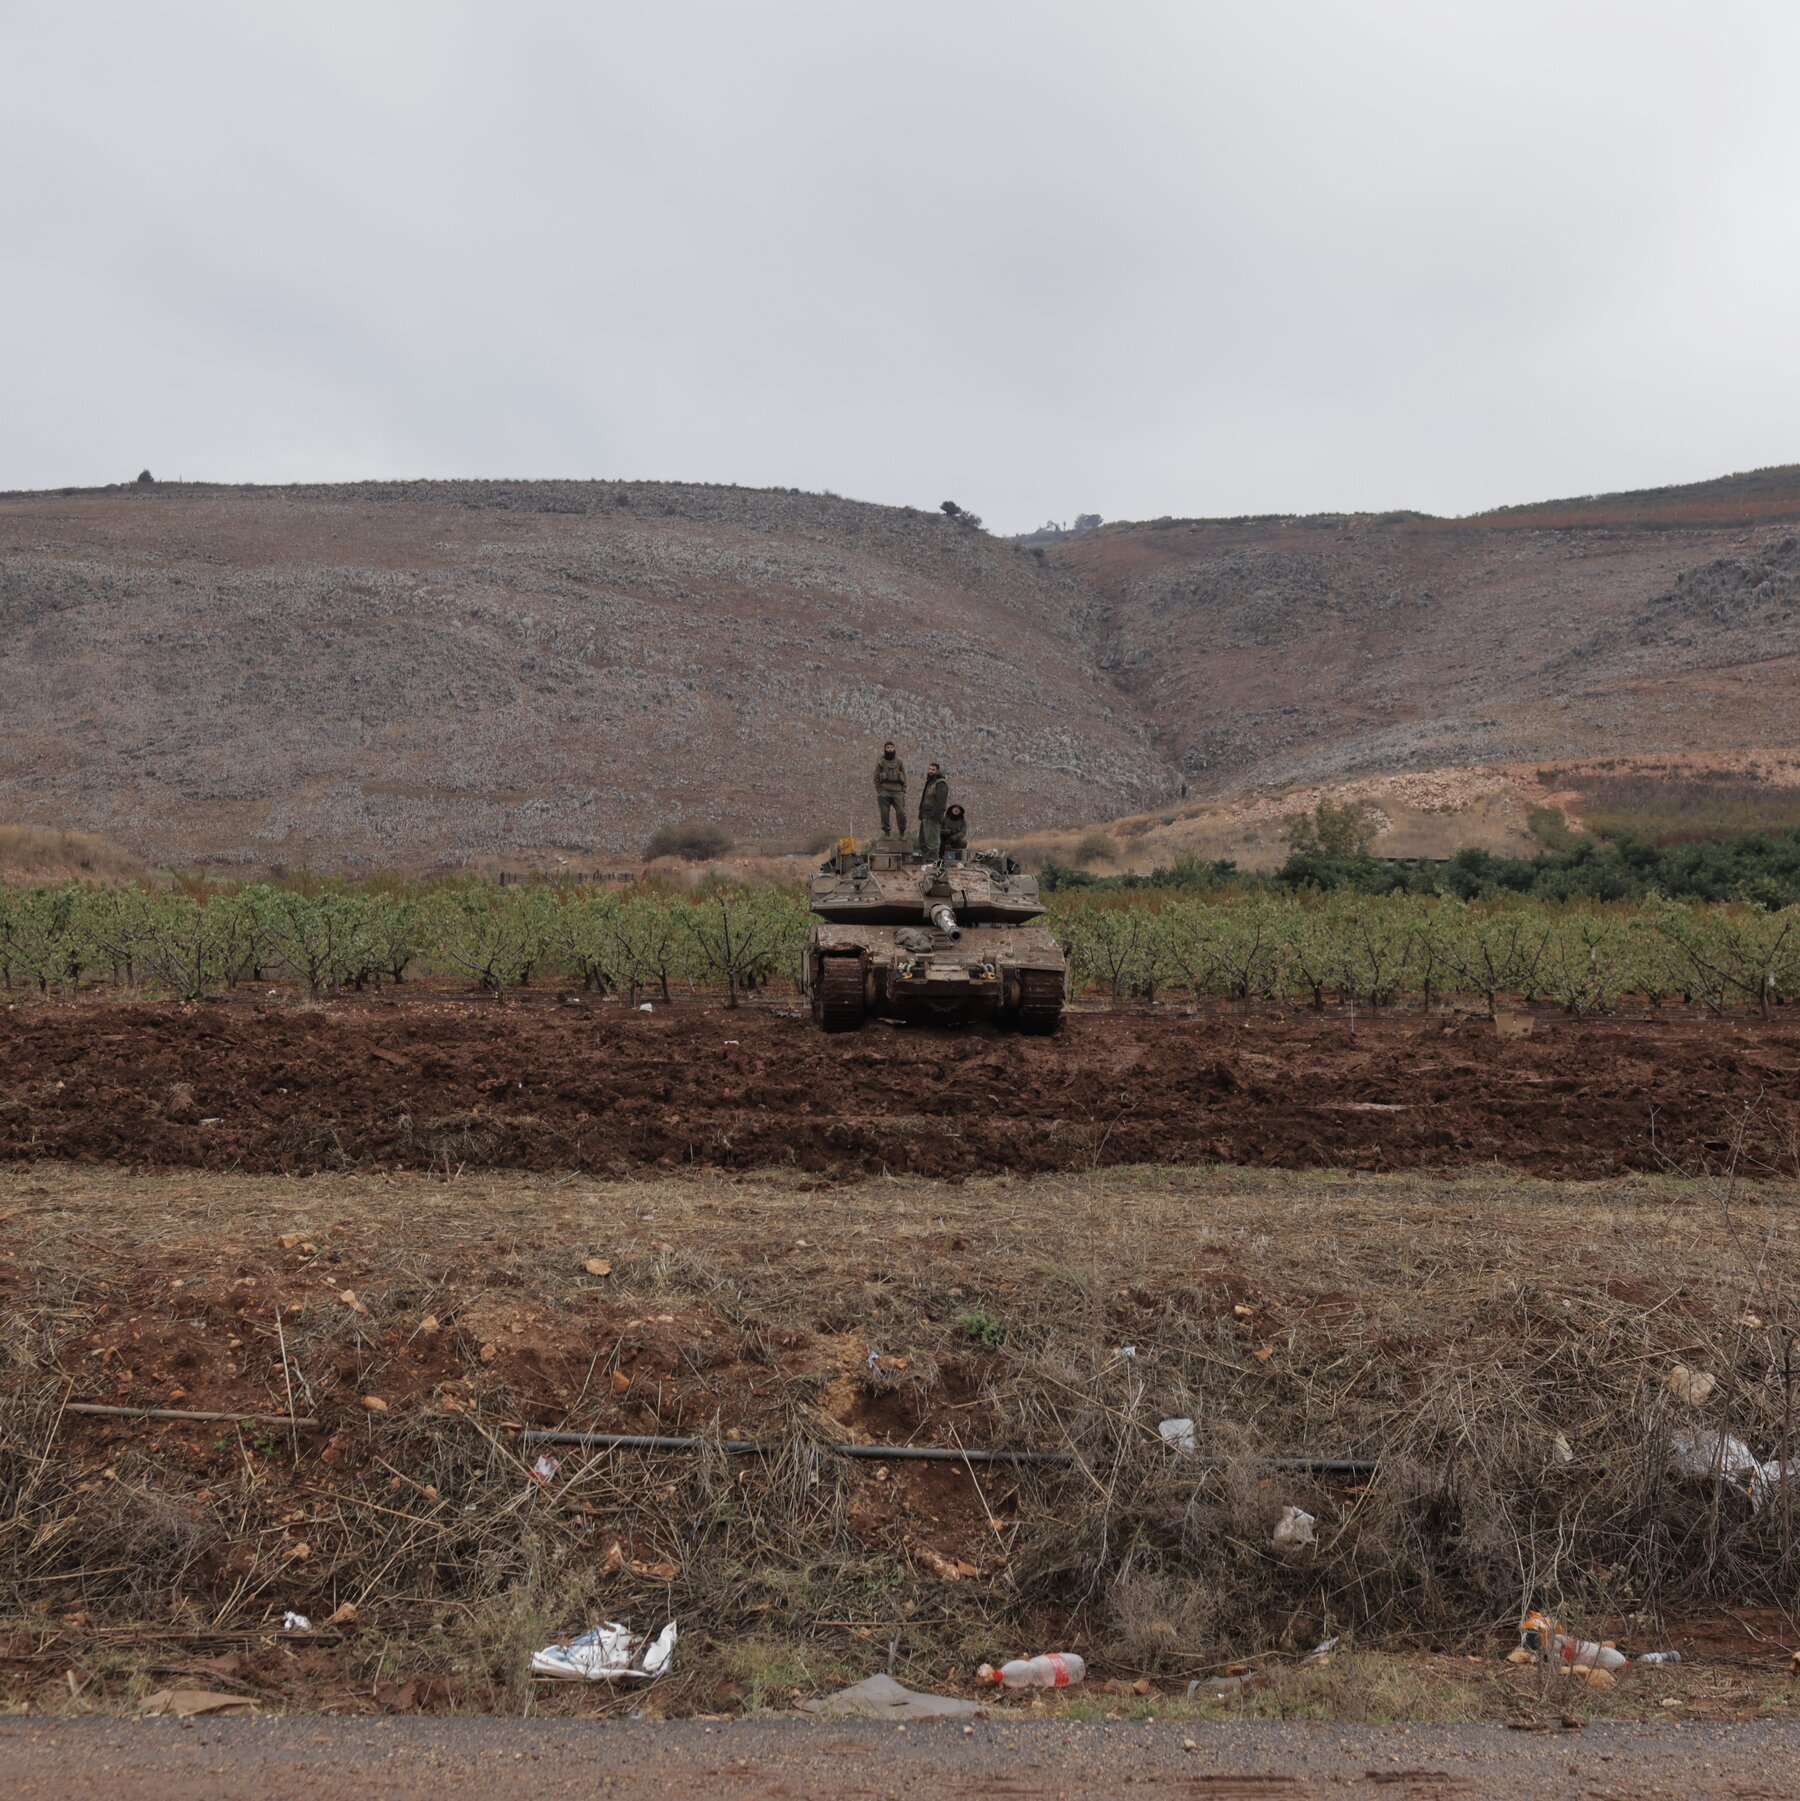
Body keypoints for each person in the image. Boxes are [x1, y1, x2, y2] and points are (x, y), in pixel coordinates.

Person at [873, 742, 907, 837]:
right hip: (885, 791)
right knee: (884, 813)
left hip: (897, 791)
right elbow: (876, 778)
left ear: (894, 748)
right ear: (885, 749)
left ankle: (902, 832)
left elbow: (904, 775)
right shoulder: (881, 761)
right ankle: (887, 833)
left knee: (901, 812)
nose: (890, 749)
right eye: (888, 747)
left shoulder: (899, 761)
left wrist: (903, 789)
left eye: (892, 747)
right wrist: (880, 790)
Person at [917, 762, 949, 859]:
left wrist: (934, 815)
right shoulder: (930, 782)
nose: (930, 771)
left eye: (933, 770)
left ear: (937, 771)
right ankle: (926, 859)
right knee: (922, 840)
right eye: (929, 769)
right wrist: (921, 812)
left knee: (932, 842)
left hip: (933, 816)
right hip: (925, 815)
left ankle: (932, 862)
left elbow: (941, 801)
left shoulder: (941, 783)